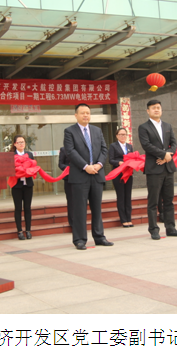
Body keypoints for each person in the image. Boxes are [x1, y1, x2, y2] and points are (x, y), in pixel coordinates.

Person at [64, 103, 113, 250]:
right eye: (82, 113)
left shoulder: (97, 130)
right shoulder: (69, 131)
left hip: (97, 174)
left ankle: (99, 237)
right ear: (76, 115)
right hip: (80, 175)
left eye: (88, 113)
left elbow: (104, 149)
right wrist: (86, 166)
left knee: (97, 208)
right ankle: (79, 239)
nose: (86, 115)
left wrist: (99, 164)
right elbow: (70, 151)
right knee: (79, 209)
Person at [138, 99, 177, 239]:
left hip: (168, 168)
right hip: (154, 169)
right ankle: (154, 230)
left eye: (158, 107)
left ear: (161, 110)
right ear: (148, 111)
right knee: (153, 201)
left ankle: (171, 228)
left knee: (169, 200)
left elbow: (174, 144)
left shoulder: (167, 126)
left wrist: (167, 156)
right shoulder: (143, 127)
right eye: (153, 108)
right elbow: (146, 145)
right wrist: (163, 154)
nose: (156, 110)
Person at [9, 135, 34, 240]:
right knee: (18, 208)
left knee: (27, 208)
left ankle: (28, 230)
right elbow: (9, 169)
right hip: (16, 185)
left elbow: (33, 167)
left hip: (28, 184)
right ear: (15, 144)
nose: (21, 144)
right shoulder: (11, 156)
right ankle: (19, 231)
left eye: (23, 142)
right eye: (19, 142)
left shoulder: (29, 154)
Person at [108, 128, 134, 227]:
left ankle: (129, 219)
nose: (123, 136)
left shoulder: (129, 146)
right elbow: (111, 160)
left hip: (128, 173)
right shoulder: (113, 146)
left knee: (128, 196)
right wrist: (119, 163)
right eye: (121, 134)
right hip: (118, 173)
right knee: (121, 196)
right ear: (117, 136)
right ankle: (123, 220)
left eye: (124, 134)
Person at [58, 146, 73, 228]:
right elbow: (60, 164)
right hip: (68, 178)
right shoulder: (63, 149)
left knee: (80, 201)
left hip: (81, 178)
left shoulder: (80, 147)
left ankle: (80, 222)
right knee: (71, 201)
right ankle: (72, 223)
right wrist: (69, 168)